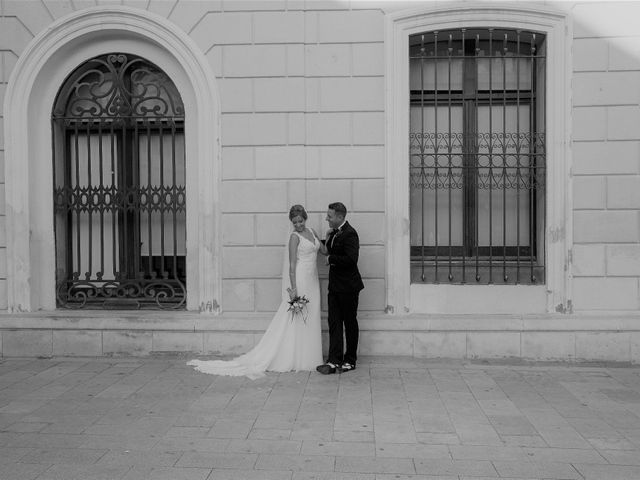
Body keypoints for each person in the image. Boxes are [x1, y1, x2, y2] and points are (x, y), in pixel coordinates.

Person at [187, 205, 323, 379]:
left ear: (306, 218)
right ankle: (295, 357)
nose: (298, 225)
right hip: (302, 278)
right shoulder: (294, 237)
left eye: (301, 221)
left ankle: (309, 357)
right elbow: (291, 265)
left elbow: (323, 250)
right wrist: (294, 288)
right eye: (295, 222)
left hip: (313, 280)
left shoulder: (312, 232)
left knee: (311, 315)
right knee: (297, 316)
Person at [316, 202, 364, 375]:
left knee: (349, 323)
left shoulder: (351, 234)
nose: (326, 218)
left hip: (349, 287)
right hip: (335, 287)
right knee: (334, 323)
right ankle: (334, 360)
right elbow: (329, 247)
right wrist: (316, 239)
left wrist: (331, 259)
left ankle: (350, 360)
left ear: (340, 217)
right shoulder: (335, 233)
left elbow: (351, 259)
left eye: (329, 216)